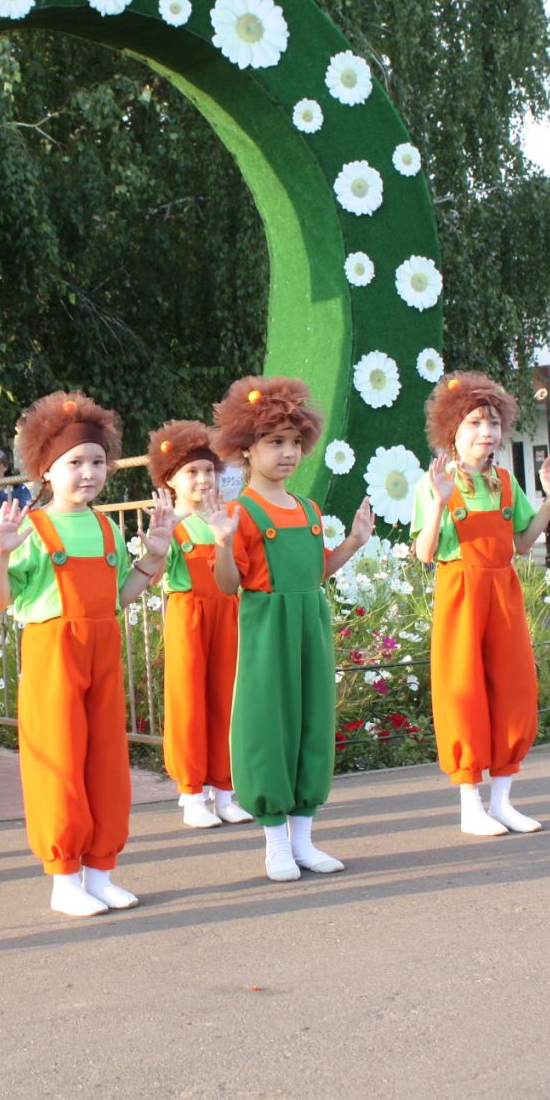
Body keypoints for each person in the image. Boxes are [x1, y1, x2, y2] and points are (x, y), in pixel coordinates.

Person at [0, 393, 174, 916]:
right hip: (52, 653)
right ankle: (64, 879)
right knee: (59, 762)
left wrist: (152, 559)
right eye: (74, 463)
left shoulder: (106, 527)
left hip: (102, 648)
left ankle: (100, 871)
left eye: (96, 461)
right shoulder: (32, 528)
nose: (88, 473)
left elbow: (117, 598)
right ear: (46, 468)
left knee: (106, 761)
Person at [212, 376, 374, 882]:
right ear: (246, 449)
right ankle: (274, 842)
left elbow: (314, 570)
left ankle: (304, 840)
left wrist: (352, 544)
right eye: (273, 442)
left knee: (311, 723)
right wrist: (221, 543)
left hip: (310, 622)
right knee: (269, 726)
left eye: (294, 442)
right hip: (266, 629)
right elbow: (227, 584)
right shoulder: (241, 512)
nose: (287, 453)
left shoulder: (307, 509)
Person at [414, 373, 550, 835]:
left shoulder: (503, 480)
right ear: (451, 431)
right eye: (475, 422)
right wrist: (439, 504)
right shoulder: (436, 482)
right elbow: (424, 552)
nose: (486, 432)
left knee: (513, 687)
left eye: (493, 422)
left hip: (503, 590)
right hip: (461, 592)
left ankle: (502, 801)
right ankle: (469, 804)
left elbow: (521, 544)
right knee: (464, 692)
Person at [145, 420, 251, 830]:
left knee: (226, 698)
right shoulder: (170, 524)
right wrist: (161, 538)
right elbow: (153, 577)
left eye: (209, 471)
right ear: (171, 481)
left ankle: (224, 791)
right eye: (192, 472)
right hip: (188, 613)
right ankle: (191, 794)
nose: (203, 479)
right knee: (188, 701)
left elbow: (238, 574)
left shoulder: (227, 517)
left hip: (227, 611)